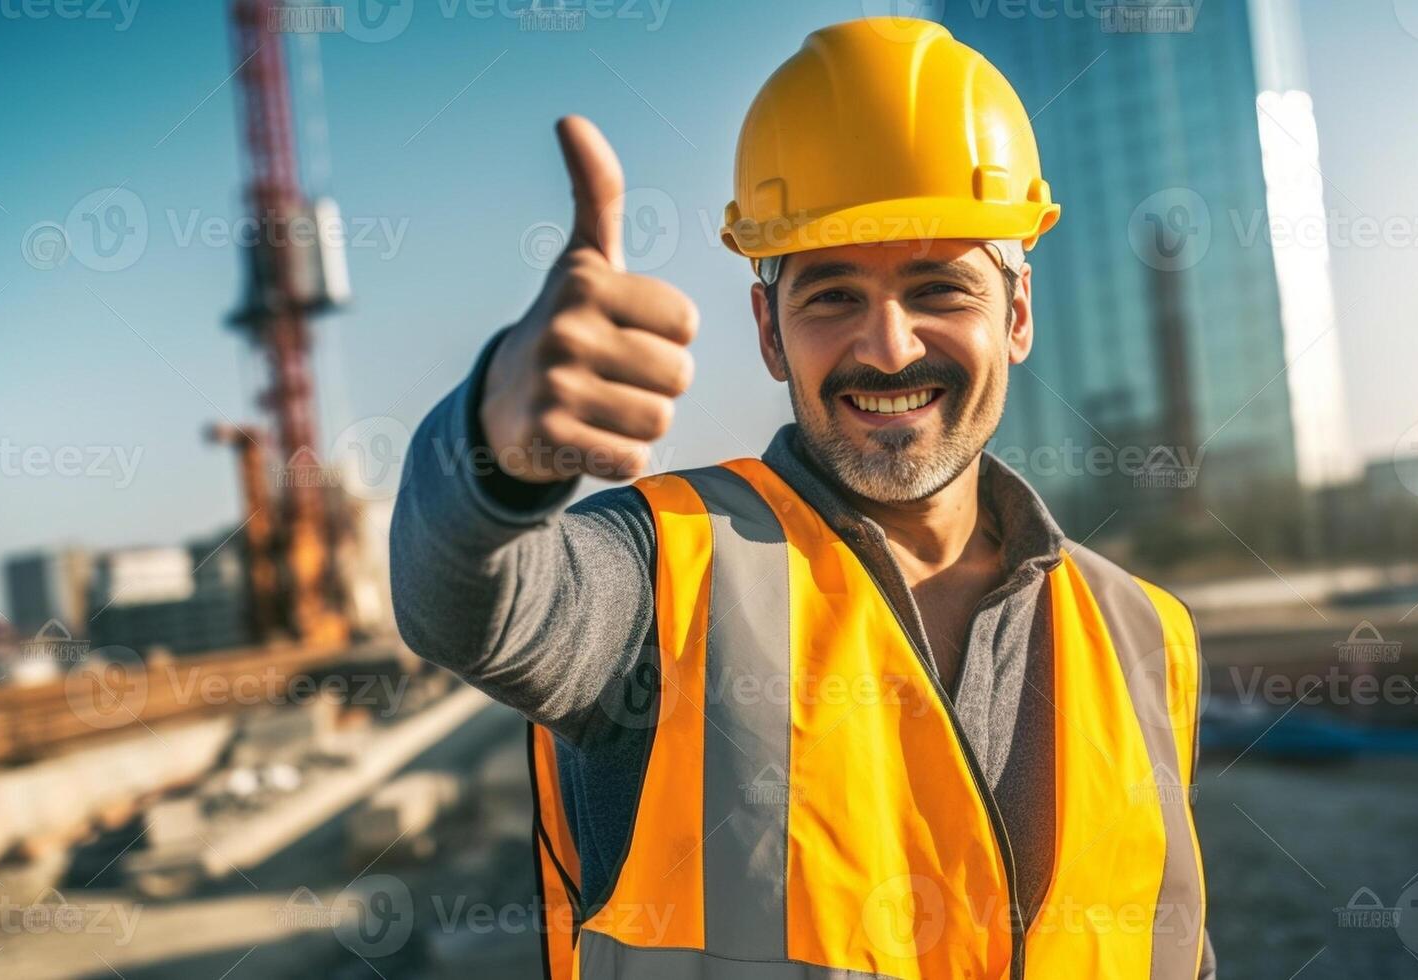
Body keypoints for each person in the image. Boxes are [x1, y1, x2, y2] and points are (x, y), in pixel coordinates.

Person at [391, 17, 1214, 979]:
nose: (888, 346)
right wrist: (491, 447)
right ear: (770, 332)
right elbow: (462, 604)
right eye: (830, 296)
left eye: (940, 288)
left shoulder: (1146, 637)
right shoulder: (662, 575)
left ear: (1017, 314)